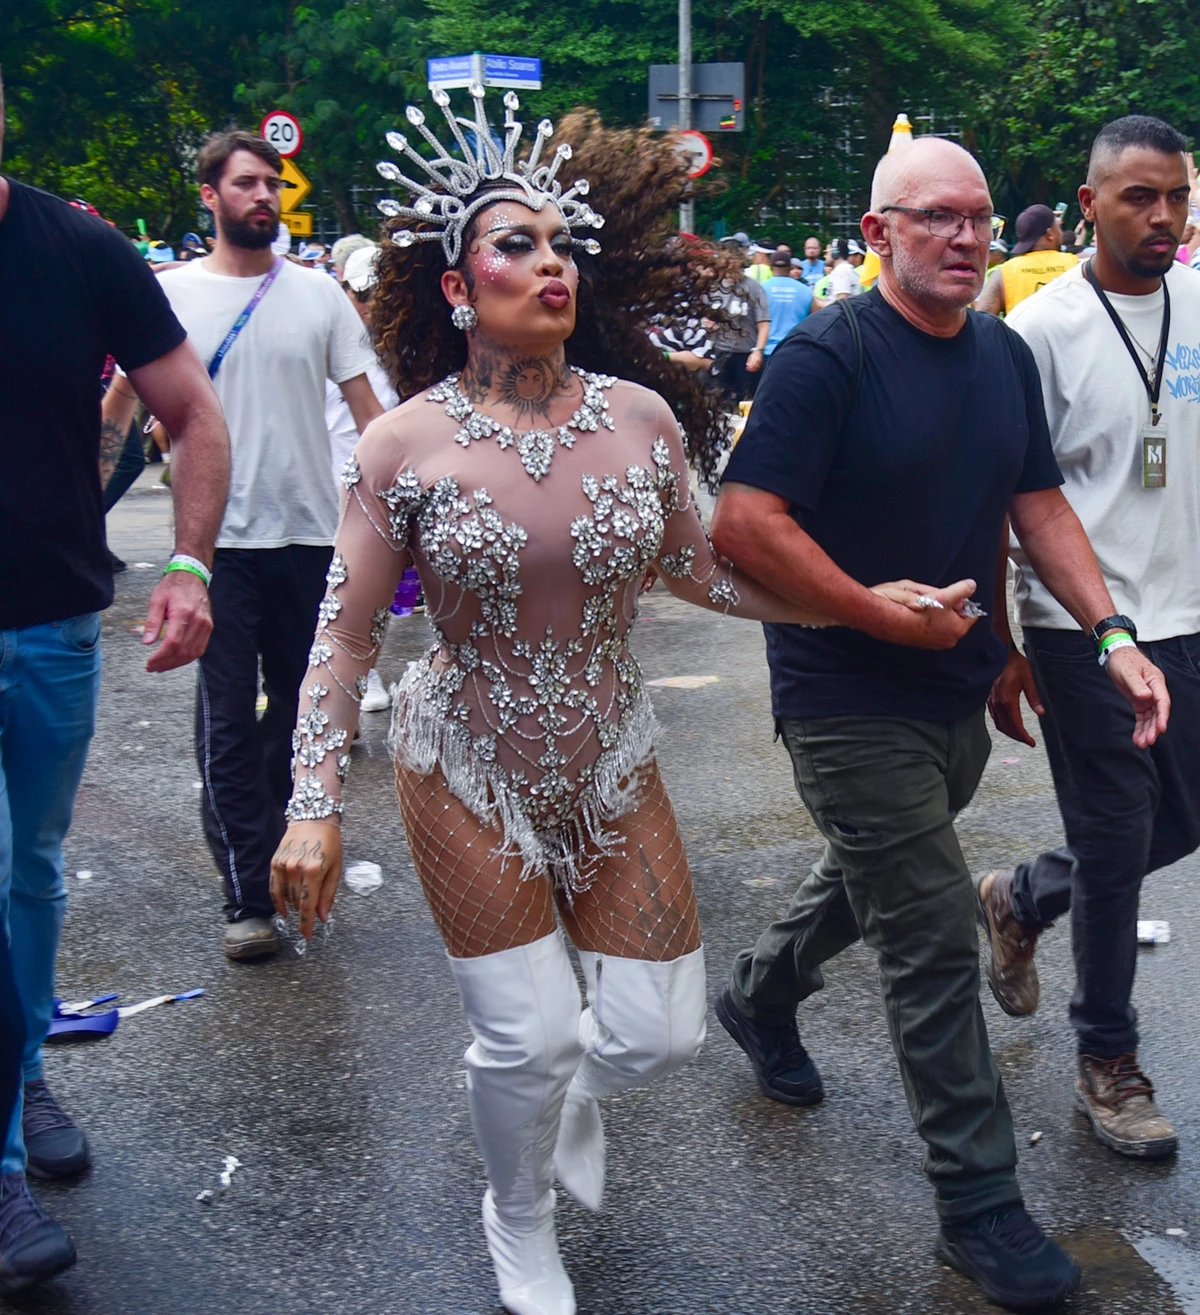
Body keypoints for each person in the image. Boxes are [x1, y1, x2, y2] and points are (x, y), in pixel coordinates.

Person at [268, 91, 941, 1315]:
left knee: (653, 1037)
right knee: (525, 1035)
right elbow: (345, 634)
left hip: (612, 761)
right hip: (462, 758)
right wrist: (314, 804)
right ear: (458, 288)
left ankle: (559, 1095)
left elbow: (705, 574)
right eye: (513, 246)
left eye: (561, 241)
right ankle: (516, 1213)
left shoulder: (639, 419)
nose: (547, 264)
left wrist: (856, 602)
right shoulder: (402, 446)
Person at [710, 135, 1170, 1311]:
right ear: (878, 235)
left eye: (976, 219)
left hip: (956, 689)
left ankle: (761, 992)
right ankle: (980, 1206)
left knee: (881, 876)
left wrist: (1104, 634)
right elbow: (745, 521)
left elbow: (1034, 500)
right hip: (845, 695)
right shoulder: (826, 358)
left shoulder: (1001, 356)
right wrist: (869, 609)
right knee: (926, 941)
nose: (965, 239)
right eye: (936, 219)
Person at [0, 76, 230, 1292]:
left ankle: (24, 1058)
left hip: (46, 622)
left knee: (31, 870)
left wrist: (189, 560)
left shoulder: (77, 246)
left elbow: (191, 414)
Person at [983, 115, 1198, 1163]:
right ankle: (1107, 1058)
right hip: (1081, 626)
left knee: (1183, 821)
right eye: (1139, 197)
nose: (1162, 216)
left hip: (1192, 612)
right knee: (1118, 837)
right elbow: (1008, 495)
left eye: (1176, 196)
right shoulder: (1044, 329)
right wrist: (1004, 636)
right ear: (1090, 204)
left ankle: (1022, 896)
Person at [158, 129, 382, 961]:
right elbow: (119, 403)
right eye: (247, 183)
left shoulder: (319, 296)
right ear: (210, 196)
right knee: (226, 719)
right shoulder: (171, 295)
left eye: (273, 185)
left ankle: (292, 851)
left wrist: (414, 510)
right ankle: (246, 895)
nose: (265, 197)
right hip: (211, 547)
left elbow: (373, 415)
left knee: (303, 715)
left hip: (309, 539)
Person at [326, 242, 400, 713]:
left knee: (372, 588)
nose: (372, 305)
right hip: (325, 487)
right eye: (364, 294)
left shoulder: (406, 347)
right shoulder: (326, 343)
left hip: (380, 488)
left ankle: (363, 672)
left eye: (383, 294)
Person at [976, 203, 1077, 316]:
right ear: (1050, 234)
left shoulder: (1006, 272)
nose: (1061, 233)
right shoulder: (1077, 264)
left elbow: (982, 321)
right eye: (1058, 228)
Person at [710, 267, 770, 403]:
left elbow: (764, 323)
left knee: (746, 401)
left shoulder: (754, 287)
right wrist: (708, 323)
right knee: (717, 400)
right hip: (719, 352)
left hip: (745, 353)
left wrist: (758, 351)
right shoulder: (714, 287)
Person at [763, 250, 813, 355]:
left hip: (767, 350)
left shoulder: (761, 289)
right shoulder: (806, 290)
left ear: (770, 267)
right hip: (796, 348)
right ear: (790, 267)